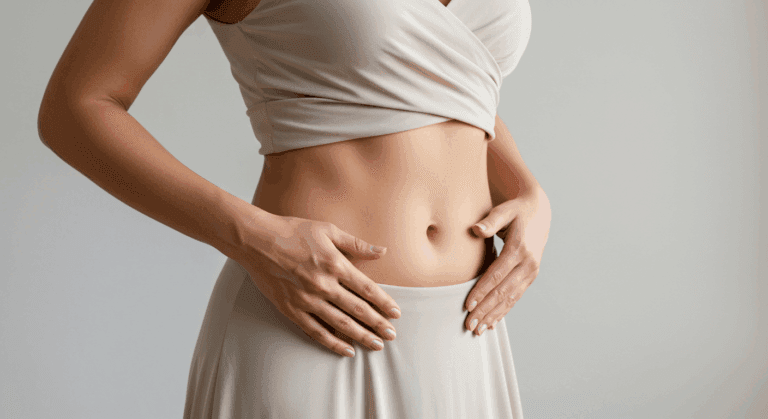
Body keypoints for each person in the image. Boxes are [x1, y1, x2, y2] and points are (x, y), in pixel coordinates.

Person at [37, 0, 551, 417]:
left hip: (465, 334)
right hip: (311, 325)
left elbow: (442, 80)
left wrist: (526, 189)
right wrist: (249, 235)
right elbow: (75, 106)